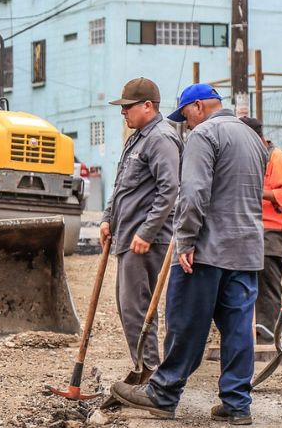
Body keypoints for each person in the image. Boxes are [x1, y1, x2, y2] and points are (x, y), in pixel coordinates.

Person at [111, 84, 267, 425]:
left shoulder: (204, 135)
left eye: (186, 116)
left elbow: (193, 194)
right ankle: (238, 404)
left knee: (185, 323)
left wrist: (185, 242)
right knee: (238, 329)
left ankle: (163, 393)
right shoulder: (253, 138)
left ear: (198, 107)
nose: (187, 124)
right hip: (247, 250)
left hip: (207, 250)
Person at [100, 78, 181, 374]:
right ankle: (143, 368)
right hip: (127, 235)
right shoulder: (137, 138)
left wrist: (147, 232)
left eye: (128, 107)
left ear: (147, 106)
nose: (124, 113)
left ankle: (150, 372)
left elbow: (169, 190)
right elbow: (122, 184)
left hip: (146, 239)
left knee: (137, 308)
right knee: (128, 308)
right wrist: (108, 218)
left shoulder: (161, 138)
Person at [241, 117, 282, 344]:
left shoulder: (279, 160)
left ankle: (267, 335)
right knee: (258, 280)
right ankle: (258, 330)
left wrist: (252, 191)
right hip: (262, 229)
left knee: (268, 283)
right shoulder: (259, 158)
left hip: (277, 231)